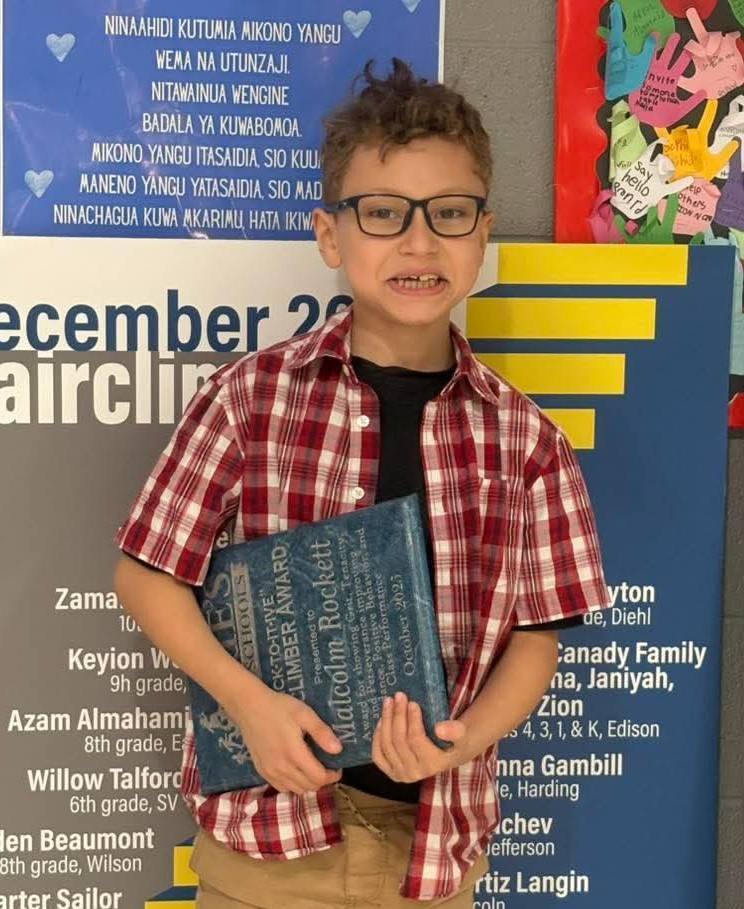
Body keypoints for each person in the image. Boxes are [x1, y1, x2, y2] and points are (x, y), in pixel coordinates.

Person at [113, 58, 611, 907]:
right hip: (267, 848)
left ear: (483, 234)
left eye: (449, 213)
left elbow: (537, 640)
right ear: (331, 235)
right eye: (383, 214)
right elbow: (146, 572)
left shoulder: (528, 442)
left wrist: (463, 738)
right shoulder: (250, 398)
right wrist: (249, 706)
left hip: (436, 854)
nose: (419, 244)